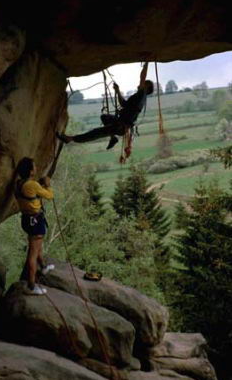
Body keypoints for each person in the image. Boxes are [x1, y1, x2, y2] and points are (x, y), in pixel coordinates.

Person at [56, 62, 154, 150]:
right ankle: (113, 138)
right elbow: (123, 104)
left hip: (119, 126)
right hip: (120, 123)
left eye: (144, 83)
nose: (140, 84)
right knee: (105, 117)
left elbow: (142, 77)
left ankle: (70, 139)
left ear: (146, 87)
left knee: (96, 133)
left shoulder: (142, 95)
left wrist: (146, 63)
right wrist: (117, 90)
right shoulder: (138, 97)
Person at [15, 157, 55, 295]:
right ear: (31, 171)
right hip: (36, 221)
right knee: (32, 254)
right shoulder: (32, 185)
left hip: (27, 220)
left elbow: (30, 194)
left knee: (37, 246)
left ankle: (43, 266)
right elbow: (49, 196)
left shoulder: (19, 183)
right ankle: (31, 286)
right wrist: (48, 184)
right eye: (34, 166)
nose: (36, 168)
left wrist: (39, 185)